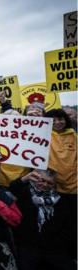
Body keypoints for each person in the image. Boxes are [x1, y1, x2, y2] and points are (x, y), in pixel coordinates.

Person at [8, 169, 74, 270]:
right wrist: (26, 178)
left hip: (54, 247)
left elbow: (68, 227)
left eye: (50, 183)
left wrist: (55, 243)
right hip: (29, 245)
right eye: (42, 180)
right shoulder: (26, 192)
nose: (45, 184)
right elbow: (12, 188)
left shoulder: (60, 201)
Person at [44, 108, 77, 261]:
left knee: (72, 224)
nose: (57, 122)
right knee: (55, 223)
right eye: (53, 120)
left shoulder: (74, 136)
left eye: (60, 119)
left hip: (74, 188)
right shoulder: (42, 135)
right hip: (51, 188)